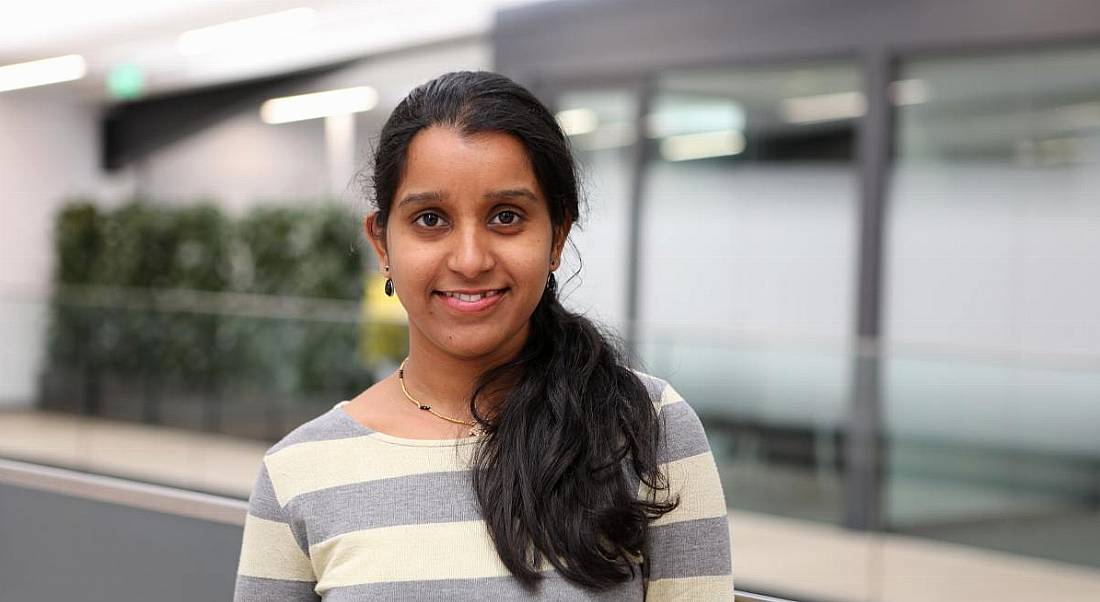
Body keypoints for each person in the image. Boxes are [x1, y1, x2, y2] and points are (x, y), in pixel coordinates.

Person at [232, 70, 733, 601]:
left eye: (506, 216)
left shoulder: (645, 428)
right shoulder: (297, 472)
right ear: (381, 244)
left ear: (557, 235)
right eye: (430, 219)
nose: (470, 259)